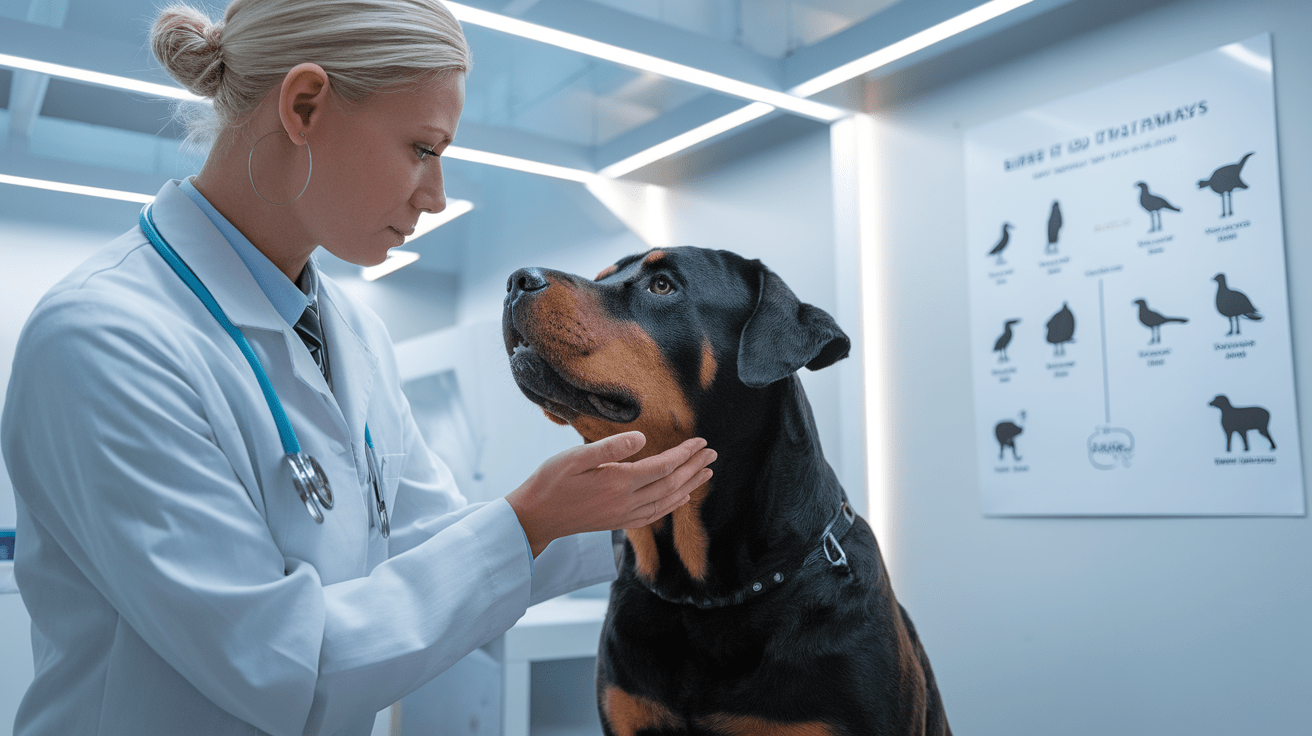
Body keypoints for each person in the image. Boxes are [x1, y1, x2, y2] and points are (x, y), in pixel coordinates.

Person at [0, 1, 715, 734]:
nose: (435, 196)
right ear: (305, 105)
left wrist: (627, 514)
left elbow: (427, 541)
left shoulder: (352, 332)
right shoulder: (103, 337)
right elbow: (279, 665)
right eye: (422, 148)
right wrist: (529, 522)